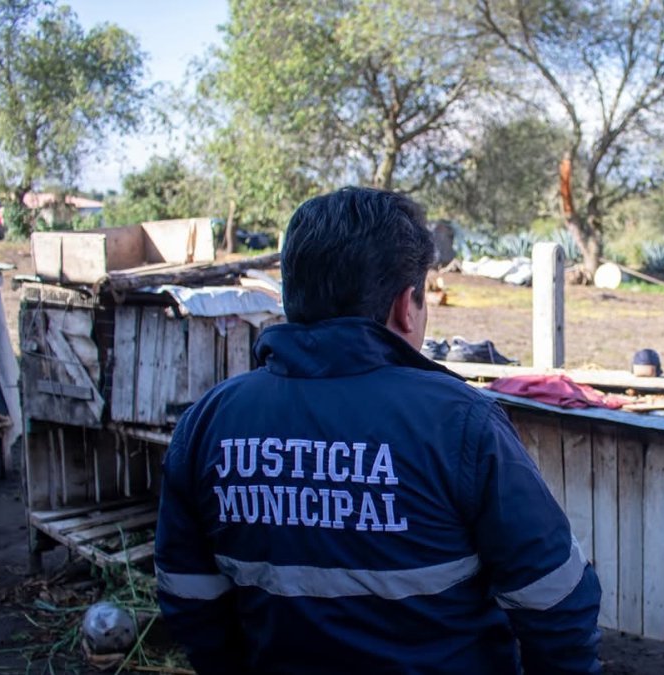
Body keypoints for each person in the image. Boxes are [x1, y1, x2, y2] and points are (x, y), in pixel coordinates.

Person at [155, 187, 602, 674]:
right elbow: (556, 602)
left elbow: (188, 597)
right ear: (406, 305)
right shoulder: (460, 426)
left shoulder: (208, 423)